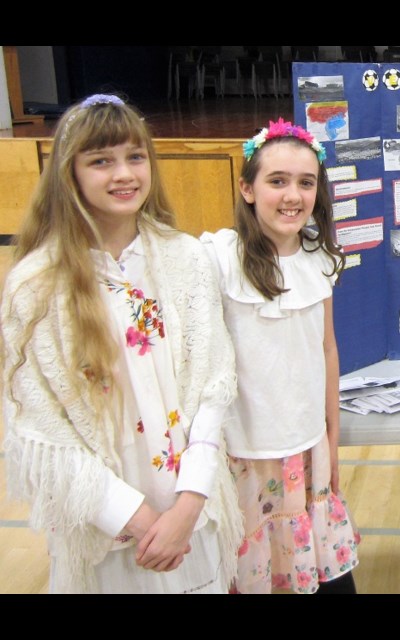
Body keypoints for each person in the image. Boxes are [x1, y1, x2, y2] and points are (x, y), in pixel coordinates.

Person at [0, 94, 242, 593]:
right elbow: (40, 425)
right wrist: (132, 517)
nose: (124, 173)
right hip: (103, 522)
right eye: (101, 161)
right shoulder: (37, 284)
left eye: (135, 157)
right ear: (70, 174)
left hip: (188, 513)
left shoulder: (185, 258)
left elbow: (213, 387)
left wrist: (189, 502)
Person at [200, 118, 360, 594]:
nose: (293, 195)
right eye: (277, 181)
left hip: (306, 450)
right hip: (244, 456)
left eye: (306, 183)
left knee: (323, 578)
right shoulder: (218, 258)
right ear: (247, 188)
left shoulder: (320, 256)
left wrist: (332, 441)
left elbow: (327, 349)